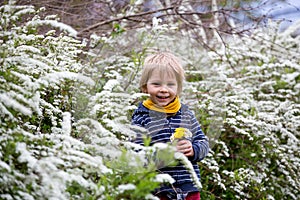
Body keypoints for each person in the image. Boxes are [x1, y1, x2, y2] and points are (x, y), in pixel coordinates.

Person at [131, 51, 209, 200]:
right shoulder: (141, 118)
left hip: (190, 189)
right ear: (145, 87)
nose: (164, 89)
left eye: (170, 84)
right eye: (156, 84)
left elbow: (203, 142)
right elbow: (138, 156)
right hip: (159, 192)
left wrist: (193, 150)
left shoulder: (186, 114)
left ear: (178, 88)